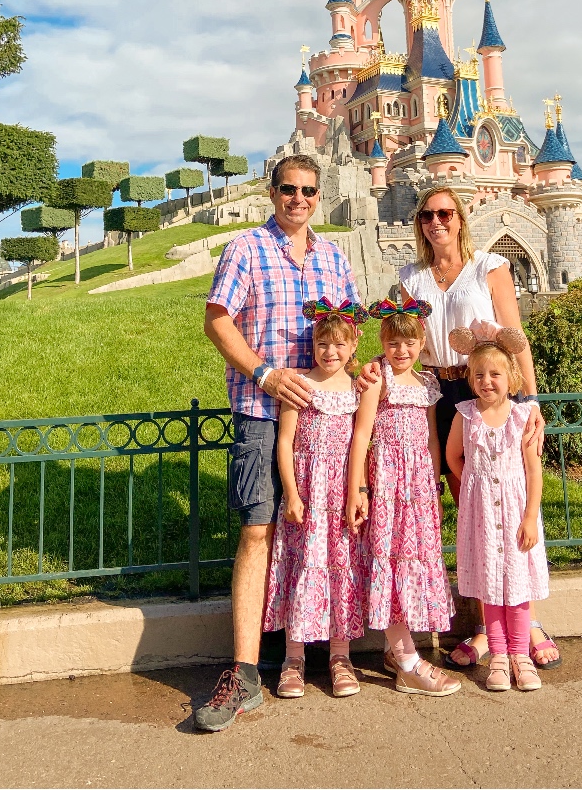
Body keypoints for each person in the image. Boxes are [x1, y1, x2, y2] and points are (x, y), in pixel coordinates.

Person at [194, 154, 361, 733]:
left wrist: (353, 374)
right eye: (288, 189)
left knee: (328, 528)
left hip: (324, 418)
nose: (298, 199)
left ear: (319, 197)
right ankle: (243, 672)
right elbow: (218, 320)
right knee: (260, 527)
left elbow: (349, 330)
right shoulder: (246, 248)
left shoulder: (333, 258)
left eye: (308, 191)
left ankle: (322, 650)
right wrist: (264, 373)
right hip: (262, 409)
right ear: (272, 193)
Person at [396, 184, 560, 672]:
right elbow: (405, 341)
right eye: (427, 215)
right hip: (439, 395)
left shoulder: (489, 267)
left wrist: (529, 399)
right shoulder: (412, 278)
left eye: (445, 213)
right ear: (420, 224)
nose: (436, 222)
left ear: (461, 218)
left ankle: (526, 623)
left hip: (486, 390)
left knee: (508, 501)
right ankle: (489, 627)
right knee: (473, 508)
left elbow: (517, 336)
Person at [346, 298, 461, 697]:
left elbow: (431, 438)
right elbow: (361, 435)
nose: (402, 351)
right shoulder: (379, 378)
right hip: (388, 485)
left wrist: (431, 482)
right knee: (392, 561)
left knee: (413, 561)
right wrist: (359, 487)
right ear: (382, 340)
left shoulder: (426, 383)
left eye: (409, 343)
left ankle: (398, 651)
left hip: (417, 490)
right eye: (394, 343)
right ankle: (407, 658)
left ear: (421, 341)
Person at [263, 299, 370, 700]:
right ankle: (295, 657)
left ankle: (340, 656)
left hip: (340, 495)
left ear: (353, 347)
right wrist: (291, 493)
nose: (331, 353)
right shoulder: (300, 385)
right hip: (308, 493)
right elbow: (285, 443)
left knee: (342, 569)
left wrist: (357, 491)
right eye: (323, 344)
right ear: (313, 346)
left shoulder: (358, 389)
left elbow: (362, 443)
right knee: (303, 566)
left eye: (340, 345)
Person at [445, 320, 550, 692]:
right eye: (479, 375)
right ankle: (500, 657)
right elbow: (453, 457)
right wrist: (475, 484)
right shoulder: (466, 414)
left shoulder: (523, 417)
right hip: (484, 517)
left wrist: (529, 516)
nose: (486, 381)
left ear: (511, 378)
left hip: (516, 513)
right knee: (491, 587)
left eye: (495, 374)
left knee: (517, 587)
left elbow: (533, 471)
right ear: (470, 379)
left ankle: (521, 654)